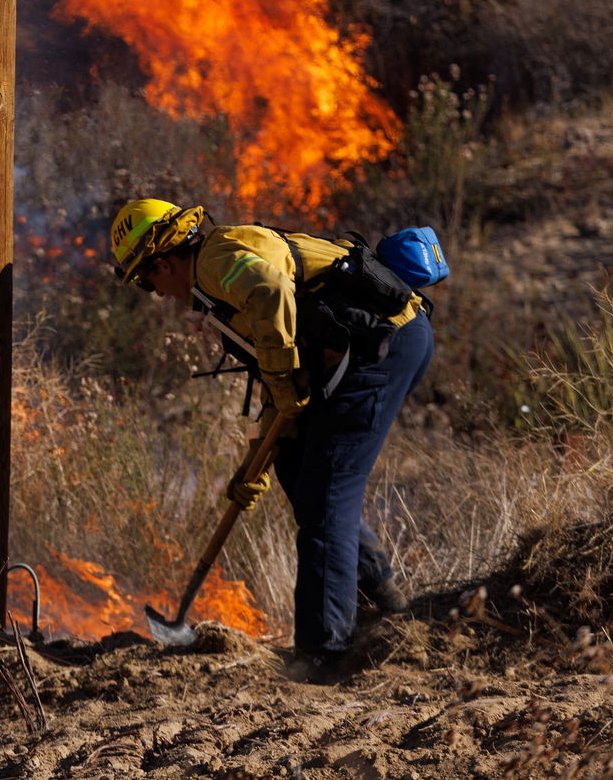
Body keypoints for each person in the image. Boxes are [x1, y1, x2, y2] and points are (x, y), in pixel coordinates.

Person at [108, 199, 433, 675]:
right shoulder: (215, 280)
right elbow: (278, 367)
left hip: (381, 348)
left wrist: (282, 384)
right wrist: (256, 460)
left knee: (325, 494)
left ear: (163, 262)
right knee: (296, 467)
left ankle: (322, 653)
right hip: (357, 354)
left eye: (146, 280)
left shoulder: (216, 261)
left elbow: (271, 289)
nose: (154, 293)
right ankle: (389, 606)